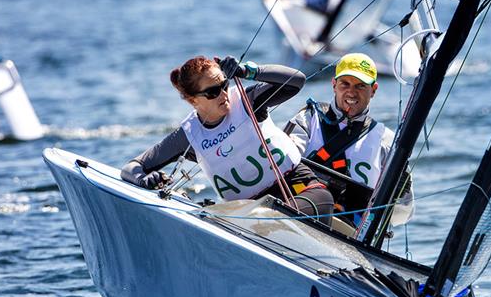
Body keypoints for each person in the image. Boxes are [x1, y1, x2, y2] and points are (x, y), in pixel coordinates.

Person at [121, 55, 334, 224]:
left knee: (271, 221)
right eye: (213, 92)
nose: (224, 94)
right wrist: (142, 179)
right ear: (194, 100)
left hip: (302, 189)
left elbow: (296, 80)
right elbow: (132, 167)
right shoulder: (188, 135)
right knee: (260, 222)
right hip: (251, 214)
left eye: (224, 85)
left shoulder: (247, 100)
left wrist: (248, 71)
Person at [284, 52, 413, 227]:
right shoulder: (308, 118)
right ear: (334, 85)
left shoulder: (387, 141)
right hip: (298, 215)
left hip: (349, 235)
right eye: (345, 84)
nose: (351, 92)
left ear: (373, 90)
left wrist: (401, 187)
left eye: (360, 86)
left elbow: (402, 214)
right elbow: (282, 163)